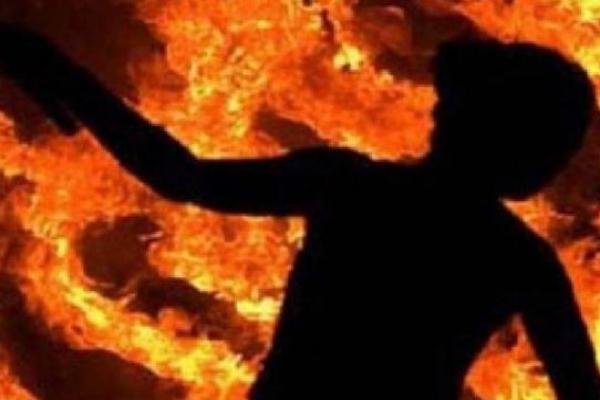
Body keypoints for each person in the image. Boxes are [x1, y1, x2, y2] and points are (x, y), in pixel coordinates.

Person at [0, 24, 599, 399]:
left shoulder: (348, 185)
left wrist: (60, 71)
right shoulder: (522, 261)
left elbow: (180, 175)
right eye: (557, 148)